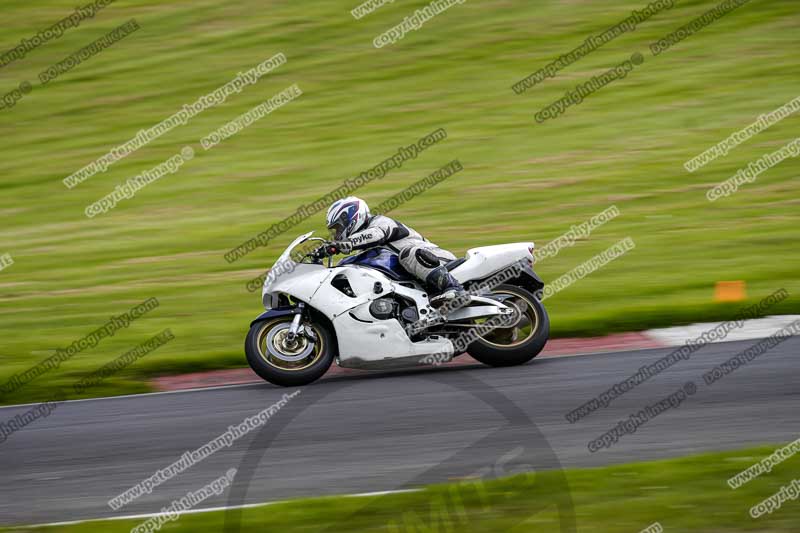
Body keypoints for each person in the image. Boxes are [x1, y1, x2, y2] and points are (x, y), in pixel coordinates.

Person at [324, 196, 467, 307]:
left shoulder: (380, 222)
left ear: (350, 217)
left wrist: (345, 243)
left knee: (408, 254)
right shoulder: (365, 249)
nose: (337, 234)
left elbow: (376, 234)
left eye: (338, 228)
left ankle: (454, 288)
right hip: (416, 280)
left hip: (438, 261)